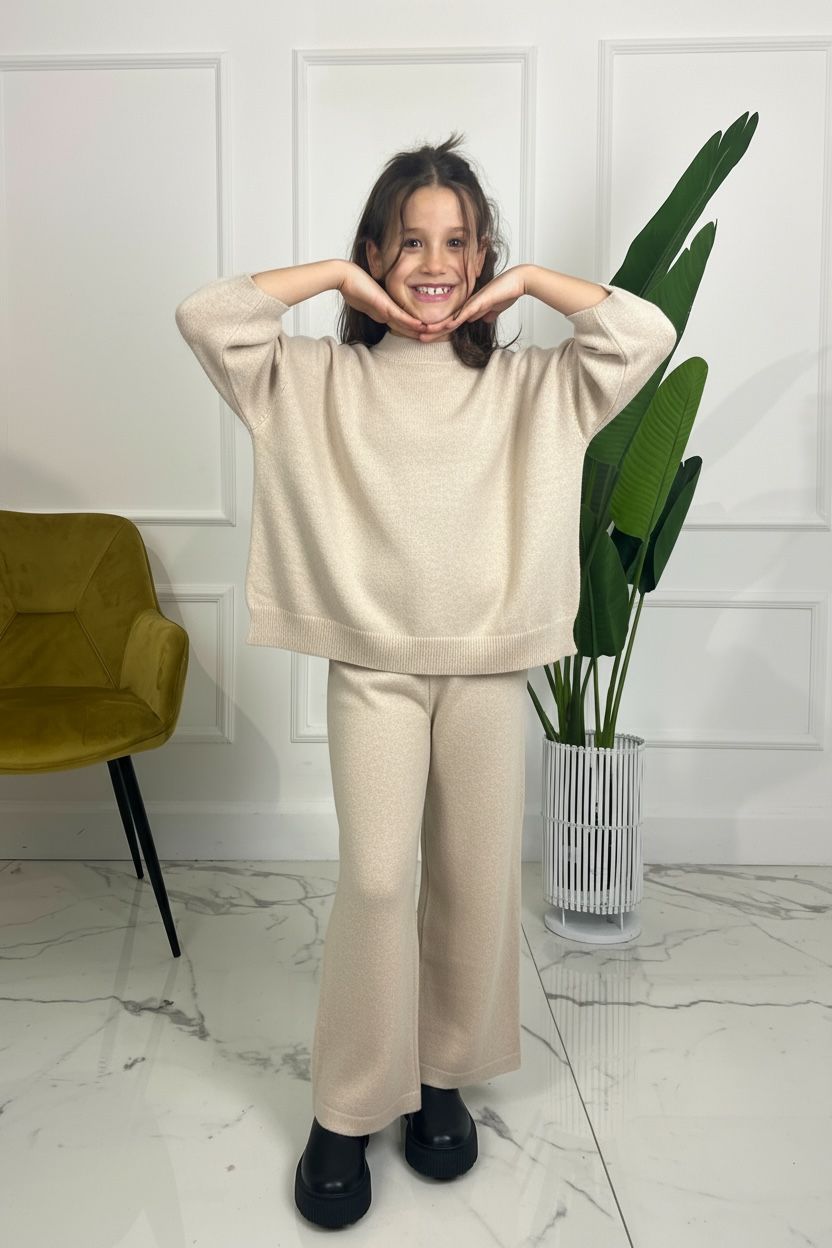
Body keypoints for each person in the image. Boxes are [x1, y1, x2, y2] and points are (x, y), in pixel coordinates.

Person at [174, 132, 677, 1230]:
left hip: (488, 670)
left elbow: (646, 333)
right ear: (376, 252)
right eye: (409, 242)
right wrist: (336, 280)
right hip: (376, 671)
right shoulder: (312, 380)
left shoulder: (535, 387)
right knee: (377, 882)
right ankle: (349, 1105)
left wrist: (529, 282)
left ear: (481, 254)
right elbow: (208, 317)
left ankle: (442, 1074)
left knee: (473, 875)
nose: (434, 262)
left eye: (458, 242)